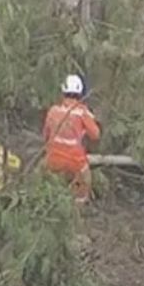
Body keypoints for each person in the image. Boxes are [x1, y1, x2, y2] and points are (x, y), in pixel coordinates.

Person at [42, 74, 101, 202]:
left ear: (63, 92)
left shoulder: (53, 110)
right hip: (75, 160)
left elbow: (45, 135)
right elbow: (96, 135)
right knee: (85, 179)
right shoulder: (82, 112)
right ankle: (80, 203)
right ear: (81, 94)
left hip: (53, 158)